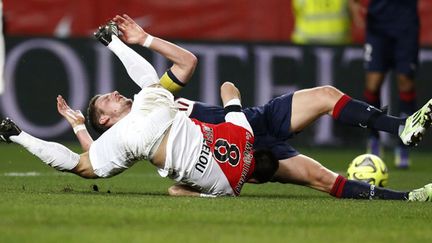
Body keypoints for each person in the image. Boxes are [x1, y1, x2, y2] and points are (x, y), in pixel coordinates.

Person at [59, 15, 432, 201]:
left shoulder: (150, 97)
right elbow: (100, 161)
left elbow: (187, 63)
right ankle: (407, 199)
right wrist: (79, 127)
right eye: (106, 100)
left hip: (250, 120)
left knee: (325, 94)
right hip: (238, 153)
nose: (115, 94)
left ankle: (399, 126)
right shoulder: (130, 137)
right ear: (106, 122)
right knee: (322, 179)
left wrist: (145, 39)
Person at [0, 81, 280, 197]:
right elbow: (175, 191)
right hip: (155, 143)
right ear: (256, 180)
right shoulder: (227, 191)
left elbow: (229, 89)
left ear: (257, 150)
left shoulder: (245, 134)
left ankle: (114, 42)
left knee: (152, 83)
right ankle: (18, 135)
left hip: (164, 123)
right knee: (80, 166)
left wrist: (232, 109)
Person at [349, 0, 420, 168]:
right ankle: (373, 138)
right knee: (373, 83)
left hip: (406, 25)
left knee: (406, 82)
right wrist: (353, 6)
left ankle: (404, 143)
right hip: (377, 27)